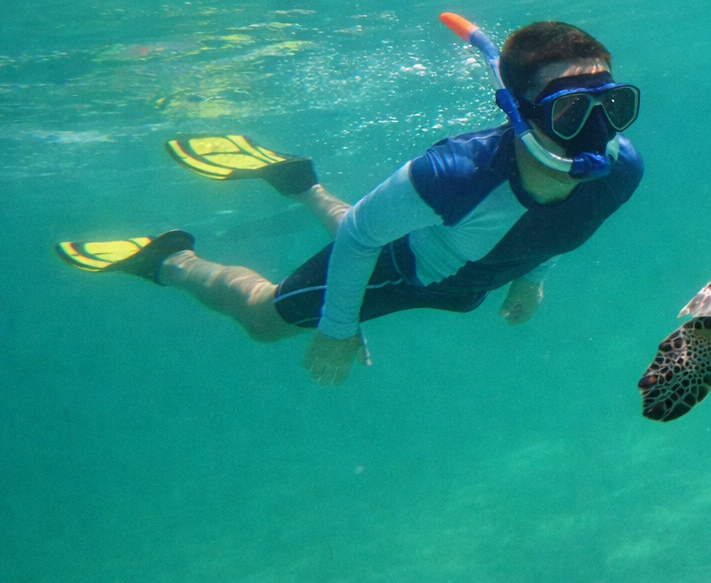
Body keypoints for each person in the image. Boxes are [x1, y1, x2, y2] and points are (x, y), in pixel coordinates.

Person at [56, 20, 642, 386]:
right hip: (399, 270)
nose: (598, 134)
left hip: (464, 275)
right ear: (520, 113)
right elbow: (362, 236)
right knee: (264, 320)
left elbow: (562, 227)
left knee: (392, 225)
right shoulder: (453, 175)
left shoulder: (622, 171)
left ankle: (301, 183)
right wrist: (338, 327)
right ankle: (169, 260)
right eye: (572, 113)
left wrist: (531, 279)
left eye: (612, 107)